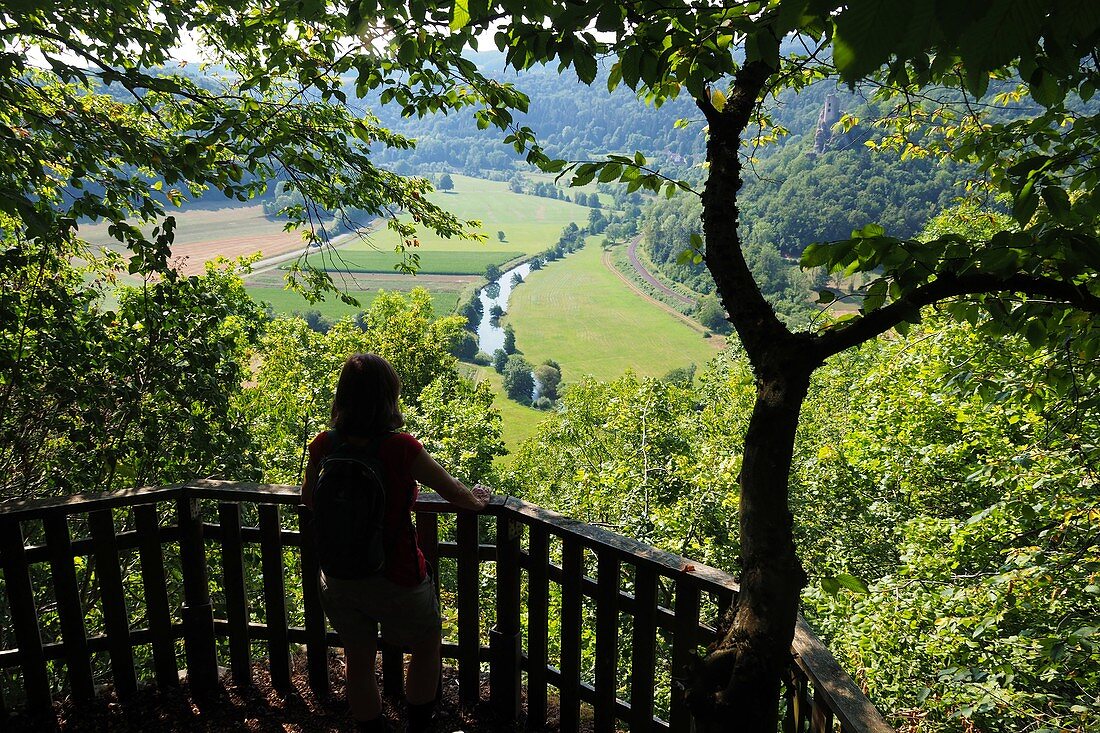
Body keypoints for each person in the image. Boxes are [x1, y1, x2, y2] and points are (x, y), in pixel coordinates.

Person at [301, 353, 490, 733]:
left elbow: (308, 500)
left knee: (358, 658)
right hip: (397, 574)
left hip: (339, 576)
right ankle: (419, 725)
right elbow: (453, 492)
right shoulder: (401, 447)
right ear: (389, 396)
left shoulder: (323, 444)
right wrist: (479, 500)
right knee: (425, 644)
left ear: (342, 396)